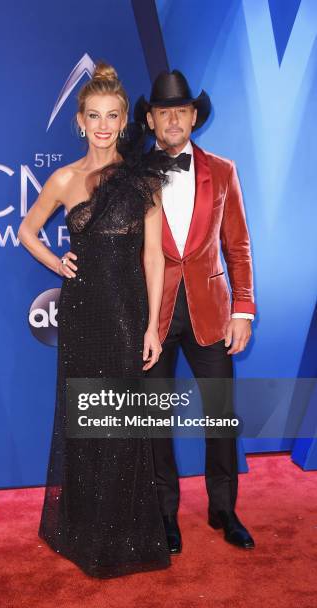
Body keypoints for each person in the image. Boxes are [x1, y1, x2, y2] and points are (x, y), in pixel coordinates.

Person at [17, 62, 181, 578]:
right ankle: (85, 528)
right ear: (81, 122)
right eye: (95, 116)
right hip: (84, 314)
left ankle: (126, 533)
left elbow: (153, 257)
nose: (105, 125)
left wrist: (153, 325)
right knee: (86, 424)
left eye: (113, 115)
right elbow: (27, 231)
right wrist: (55, 261)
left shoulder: (142, 179)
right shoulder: (64, 179)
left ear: (124, 121)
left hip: (128, 314)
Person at [135, 69, 256, 554]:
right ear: (150, 119)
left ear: (193, 118)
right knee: (154, 421)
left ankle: (224, 508)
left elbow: (238, 245)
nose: (172, 119)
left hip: (212, 311)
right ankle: (165, 514)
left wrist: (243, 309)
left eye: (181, 111)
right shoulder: (135, 173)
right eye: (164, 111)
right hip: (154, 317)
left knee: (221, 417)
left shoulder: (222, 170)